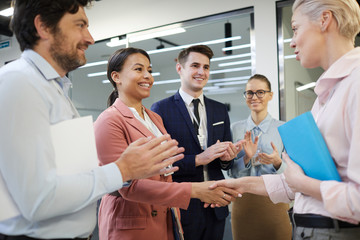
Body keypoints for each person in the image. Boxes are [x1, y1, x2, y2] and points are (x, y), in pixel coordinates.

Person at [0, 1, 184, 239]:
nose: (90, 38)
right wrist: (123, 169)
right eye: (80, 26)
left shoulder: (57, 90)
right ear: (43, 27)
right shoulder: (20, 82)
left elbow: (72, 179)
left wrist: (126, 171)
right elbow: (36, 199)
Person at [210, 0, 360, 239]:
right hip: (307, 228)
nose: (291, 41)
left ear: (325, 19)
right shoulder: (325, 97)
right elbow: (295, 184)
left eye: (296, 28)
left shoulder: (356, 84)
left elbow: (306, 184)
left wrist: (299, 180)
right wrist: (238, 184)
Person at [94, 47, 239, 240]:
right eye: (138, 69)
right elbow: (126, 186)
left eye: (150, 70)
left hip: (165, 216)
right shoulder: (109, 121)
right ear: (116, 77)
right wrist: (195, 189)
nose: (147, 76)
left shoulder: (154, 118)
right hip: (132, 223)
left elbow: (165, 171)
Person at [151, 45, 241, 240]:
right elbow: (160, 165)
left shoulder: (219, 110)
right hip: (183, 206)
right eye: (195, 65)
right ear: (179, 69)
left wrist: (227, 158)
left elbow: (225, 163)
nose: (202, 72)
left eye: (206, 67)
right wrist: (198, 159)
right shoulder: (161, 109)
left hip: (216, 205)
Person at [228, 74, 291, 240]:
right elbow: (230, 173)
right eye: (250, 93)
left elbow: (294, 174)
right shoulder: (234, 129)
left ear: (270, 95)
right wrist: (246, 159)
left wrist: (278, 163)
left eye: (260, 92)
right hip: (243, 205)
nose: (254, 97)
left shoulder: (284, 129)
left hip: (276, 204)